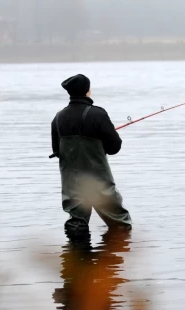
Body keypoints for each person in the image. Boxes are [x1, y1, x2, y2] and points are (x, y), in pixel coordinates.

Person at [51, 74, 132, 235]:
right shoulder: (98, 114)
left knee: (76, 226)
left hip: (71, 183)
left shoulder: (58, 118)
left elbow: (57, 151)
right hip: (98, 181)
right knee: (120, 225)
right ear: (87, 90)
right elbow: (114, 147)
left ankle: (77, 255)